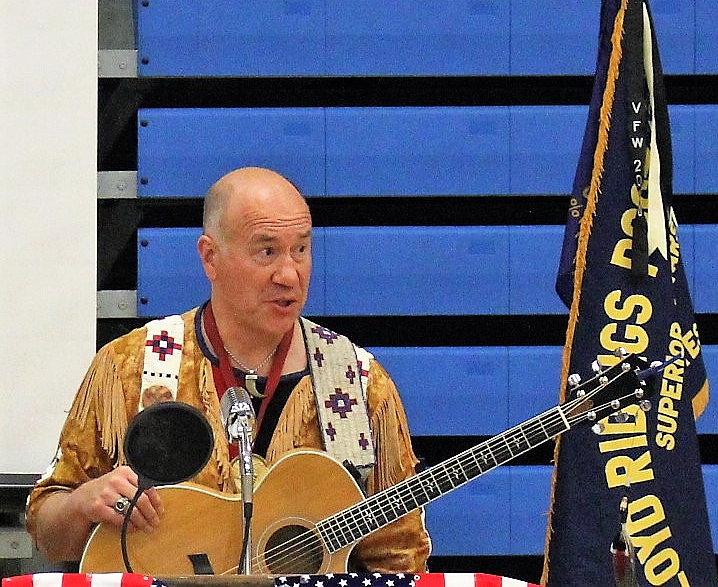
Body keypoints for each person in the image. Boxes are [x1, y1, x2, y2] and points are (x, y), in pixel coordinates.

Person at [26, 167, 431, 573]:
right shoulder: (133, 365)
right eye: (267, 251)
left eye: (301, 250)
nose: (289, 274)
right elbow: (47, 530)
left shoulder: (357, 382)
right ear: (210, 257)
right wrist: (83, 504)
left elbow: (399, 559)